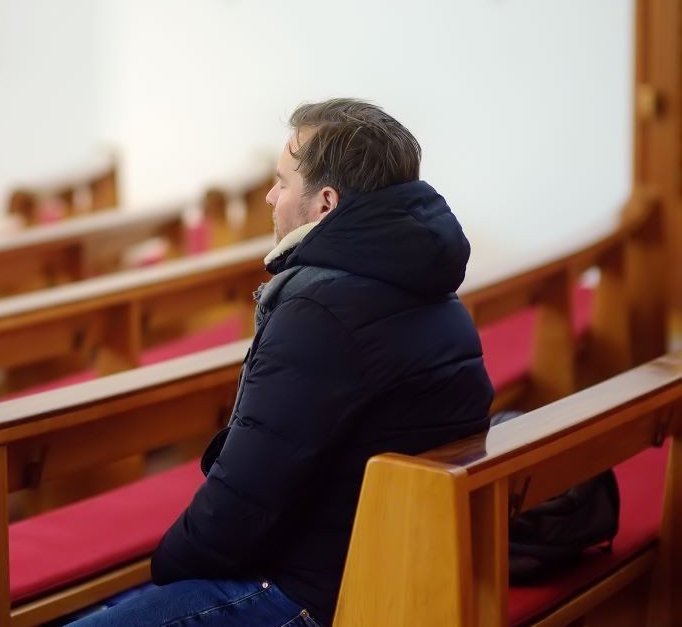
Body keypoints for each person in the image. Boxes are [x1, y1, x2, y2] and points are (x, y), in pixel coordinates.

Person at [69, 98, 495, 627]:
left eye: (282, 182)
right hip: (379, 560)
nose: (270, 196)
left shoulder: (320, 311)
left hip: (311, 591)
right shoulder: (429, 285)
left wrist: (165, 570)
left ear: (325, 203)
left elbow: (243, 501)